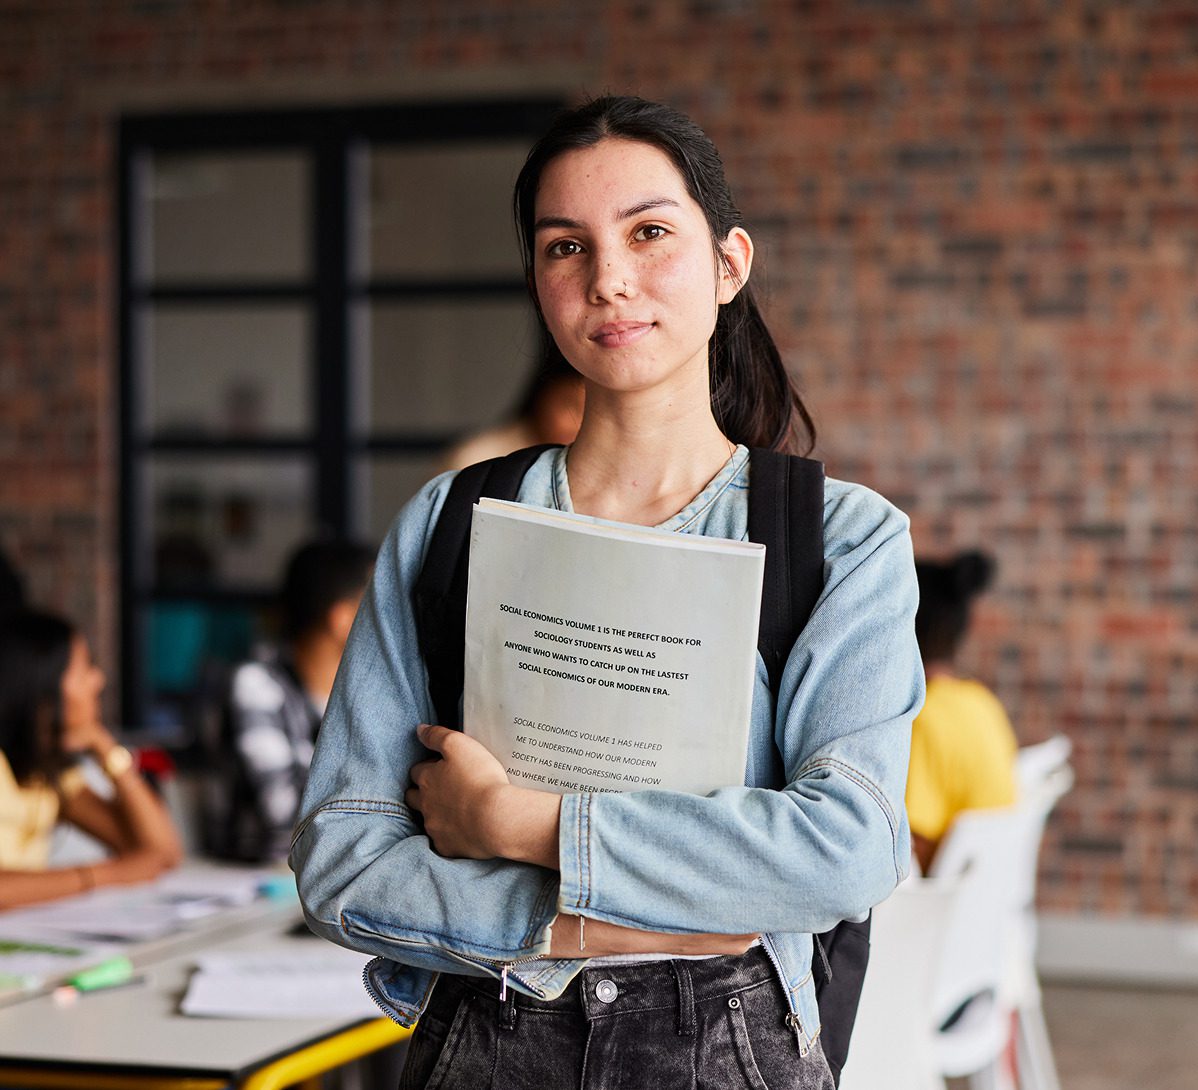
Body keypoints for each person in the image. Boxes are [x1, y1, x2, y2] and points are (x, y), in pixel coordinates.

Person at [292, 95, 922, 1089]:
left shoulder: (842, 539)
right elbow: (341, 859)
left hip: (728, 1053)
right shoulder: (448, 522)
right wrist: (587, 920)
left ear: (728, 263)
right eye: (563, 247)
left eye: (650, 233)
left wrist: (516, 825)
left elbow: (846, 851)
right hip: (480, 1042)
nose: (609, 280)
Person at [204, 539, 374, 863]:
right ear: (341, 618)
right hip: (265, 879)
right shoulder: (255, 682)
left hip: (336, 875)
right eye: (378, 603)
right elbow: (285, 812)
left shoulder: (361, 692)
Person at [0, 610, 183, 909]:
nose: (98, 680)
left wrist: (105, 747)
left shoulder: (45, 773)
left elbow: (162, 853)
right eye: (84, 668)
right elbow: (131, 867)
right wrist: (105, 875)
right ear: (43, 684)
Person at [906, 551, 1018, 873]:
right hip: (980, 905)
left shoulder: (922, 719)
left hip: (929, 912)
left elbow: (912, 852)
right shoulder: (982, 702)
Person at [439, 356, 585, 472]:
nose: (578, 424)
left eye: (587, 411)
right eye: (570, 406)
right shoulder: (474, 459)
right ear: (541, 396)